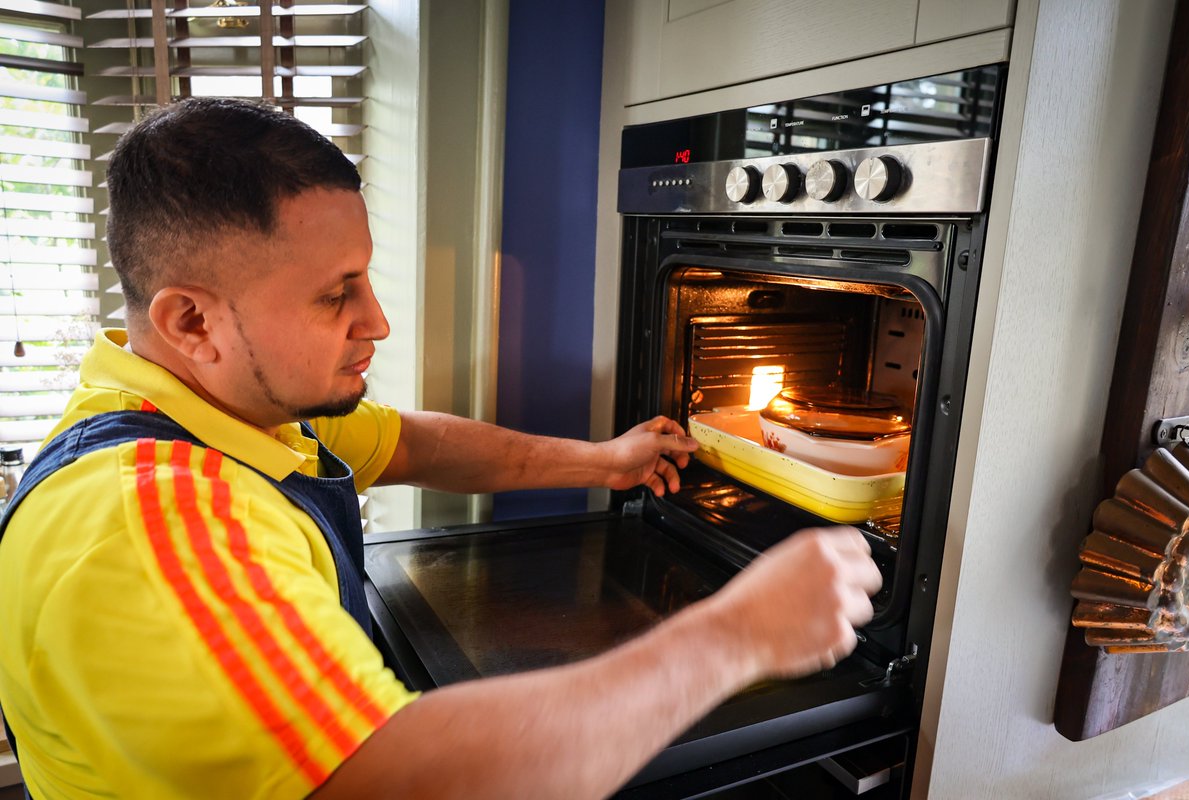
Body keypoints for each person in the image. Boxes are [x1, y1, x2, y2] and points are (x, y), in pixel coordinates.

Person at [0, 98, 882, 800]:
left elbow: (416, 444)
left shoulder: (212, 402)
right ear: (191, 321)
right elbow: (407, 784)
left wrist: (601, 460)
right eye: (335, 294)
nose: (375, 320)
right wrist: (734, 636)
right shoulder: (153, 528)